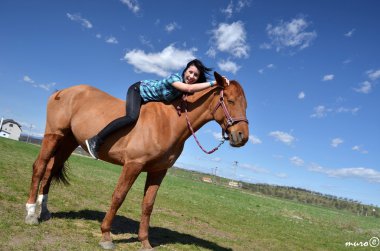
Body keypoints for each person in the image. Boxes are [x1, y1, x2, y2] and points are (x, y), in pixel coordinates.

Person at [85, 59, 228, 159]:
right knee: (131, 117)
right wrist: (215, 82)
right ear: (185, 71)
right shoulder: (175, 79)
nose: (191, 76)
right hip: (138, 90)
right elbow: (189, 88)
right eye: (190, 72)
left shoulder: (187, 90)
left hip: (150, 101)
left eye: (195, 75)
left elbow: (198, 95)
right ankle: (96, 140)